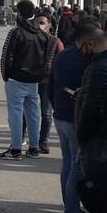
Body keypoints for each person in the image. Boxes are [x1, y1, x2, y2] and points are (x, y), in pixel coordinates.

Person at [49, 18, 96, 213]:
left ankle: (70, 206)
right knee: (77, 166)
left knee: (68, 161)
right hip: (75, 117)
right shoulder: (90, 60)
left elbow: (51, 85)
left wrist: (55, 108)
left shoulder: (62, 56)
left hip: (60, 115)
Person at [0, 0, 58, 159]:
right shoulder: (42, 34)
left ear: (20, 14)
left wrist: (6, 76)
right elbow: (47, 58)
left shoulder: (16, 32)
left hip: (16, 78)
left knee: (15, 114)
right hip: (35, 79)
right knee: (33, 114)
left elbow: (7, 57)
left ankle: (16, 148)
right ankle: (34, 147)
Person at [74, 20, 107, 213]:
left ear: (89, 45)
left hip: (98, 144)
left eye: (80, 49)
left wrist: (82, 134)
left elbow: (93, 105)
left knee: (98, 206)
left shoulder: (98, 68)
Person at [35, 11, 64, 154]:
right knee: (28, 113)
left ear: (49, 25)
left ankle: (43, 141)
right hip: (32, 81)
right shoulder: (31, 39)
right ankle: (22, 138)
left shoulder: (56, 42)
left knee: (46, 113)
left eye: (42, 23)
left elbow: (63, 62)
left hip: (47, 82)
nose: (40, 26)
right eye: (37, 23)